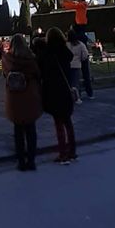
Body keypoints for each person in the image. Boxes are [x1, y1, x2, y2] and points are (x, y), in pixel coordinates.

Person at [1, 34, 42, 171]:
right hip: (29, 95)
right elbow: (37, 74)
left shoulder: (7, 59)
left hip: (14, 97)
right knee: (31, 130)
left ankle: (21, 162)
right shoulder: (30, 58)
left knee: (18, 131)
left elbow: (5, 74)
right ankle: (31, 161)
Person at [36, 28, 76, 164]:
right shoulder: (65, 52)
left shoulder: (48, 54)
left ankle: (63, 153)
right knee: (68, 122)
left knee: (58, 123)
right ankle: (72, 151)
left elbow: (40, 70)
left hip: (53, 90)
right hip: (65, 89)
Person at [67, 27, 93, 100]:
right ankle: (78, 96)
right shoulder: (80, 44)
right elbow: (85, 54)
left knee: (70, 82)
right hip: (77, 64)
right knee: (76, 82)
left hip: (68, 65)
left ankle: (72, 97)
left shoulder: (66, 45)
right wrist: (81, 59)